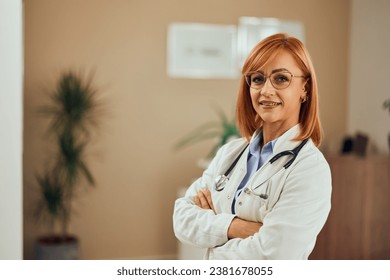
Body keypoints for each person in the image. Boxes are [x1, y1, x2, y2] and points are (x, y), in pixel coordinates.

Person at [173, 33, 332, 259]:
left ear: (305, 88)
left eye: (281, 79)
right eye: (257, 79)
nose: (266, 91)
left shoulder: (310, 169)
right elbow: (181, 219)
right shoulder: (230, 153)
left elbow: (273, 256)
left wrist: (212, 232)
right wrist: (236, 227)